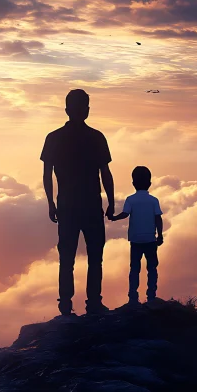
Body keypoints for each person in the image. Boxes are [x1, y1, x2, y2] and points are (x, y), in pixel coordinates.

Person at [41, 89, 114, 316]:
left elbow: (47, 174)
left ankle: (65, 305)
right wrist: (111, 202)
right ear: (87, 111)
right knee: (95, 257)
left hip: (67, 206)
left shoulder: (53, 138)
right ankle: (93, 304)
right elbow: (105, 173)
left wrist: (51, 203)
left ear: (66, 110)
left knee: (67, 257)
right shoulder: (97, 137)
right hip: (92, 205)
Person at [112, 166, 163, 304]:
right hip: (150, 239)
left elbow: (125, 214)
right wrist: (160, 235)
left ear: (133, 183)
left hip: (135, 239)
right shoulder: (154, 200)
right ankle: (151, 295)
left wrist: (114, 218)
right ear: (150, 183)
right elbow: (158, 218)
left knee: (134, 268)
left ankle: (133, 297)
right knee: (152, 268)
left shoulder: (130, 199)